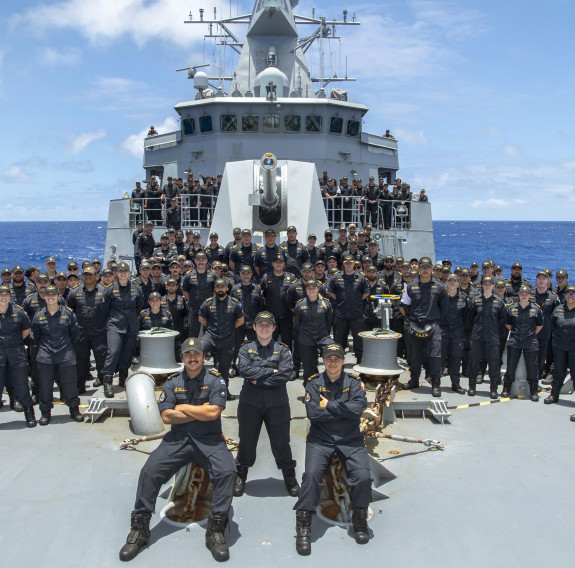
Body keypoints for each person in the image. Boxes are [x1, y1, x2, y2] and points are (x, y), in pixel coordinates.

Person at [118, 337, 236, 562]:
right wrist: (199, 409)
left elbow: (213, 413)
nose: (193, 358)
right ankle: (140, 528)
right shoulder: (173, 382)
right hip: (178, 440)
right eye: (188, 354)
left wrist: (183, 407)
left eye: (197, 354)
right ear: (182, 358)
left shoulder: (215, 380)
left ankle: (217, 529)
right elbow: (167, 416)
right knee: (149, 471)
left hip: (209, 440)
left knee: (228, 472)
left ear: (203, 356)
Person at [293, 343, 372, 555]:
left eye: (337, 358)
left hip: (350, 439)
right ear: (323, 361)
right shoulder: (313, 383)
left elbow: (358, 409)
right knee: (310, 476)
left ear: (343, 361)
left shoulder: (354, 382)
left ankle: (359, 518)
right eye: (329, 358)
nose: (333, 362)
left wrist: (328, 405)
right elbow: (313, 414)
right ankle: (303, 524)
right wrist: (343, 411)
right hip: (321, 439)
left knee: (363, 476)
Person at [234, 311, 300, 497]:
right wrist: (272, 370)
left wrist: (259, 378)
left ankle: (289, 475)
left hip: (277, 403)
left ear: (273, 328)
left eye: (268, 325)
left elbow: (285, 374)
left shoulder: (283, 349)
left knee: (281, 442)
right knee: (246, 440)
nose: (264, 328)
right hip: (250, 402)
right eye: (260, 325)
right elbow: (244, 370)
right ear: (254, 327)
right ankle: (241, 474)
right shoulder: (245, 349)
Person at [31, 285, 84, 425]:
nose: (50, 297)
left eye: (53, 295)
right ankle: (45, 412)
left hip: (65, 353)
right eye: (47, 295)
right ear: (44, 297)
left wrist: (66, 348)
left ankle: (74, 410)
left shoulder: (68, 313)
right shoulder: (38, 315)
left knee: (70, 384)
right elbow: (36, 336)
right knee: (45, 385)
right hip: (45, 355)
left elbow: (74, 334)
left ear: (58, 296)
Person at [400, 257, 447, 397]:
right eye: (423, 267)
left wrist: (436, 321)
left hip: (433, 325)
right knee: (414, 355)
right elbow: (404, 306)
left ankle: (436, 384)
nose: (425, 270)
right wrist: (412, 320)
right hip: (415, 325)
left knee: (435, 355)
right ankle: (414, 380)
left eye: (428, 267)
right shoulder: (411, 286)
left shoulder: (440, 287)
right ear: (418, 269)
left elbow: (444, 308)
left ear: (432, 269)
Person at [100, 262, 145, 398]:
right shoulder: (110, 290)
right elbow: (104, 308)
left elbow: (139, 306)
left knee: (127, 352)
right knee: (113, 352)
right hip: (115, 325)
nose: (123, 273)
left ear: (129, 273)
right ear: (116, 273)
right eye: (120, 271)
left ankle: (123, 378)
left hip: (131, 325)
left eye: (125, 271)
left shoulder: (136, 289)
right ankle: (107, 381)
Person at [198, 278, 244, 400]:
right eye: (217, 287)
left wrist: (228, 328)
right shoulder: (208, 303)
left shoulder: (234, 303)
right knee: (197, 350)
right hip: (210, 337)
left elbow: (241, 320)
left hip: (226, 339)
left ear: (227, 288)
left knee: (224, 369)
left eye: (222, 287)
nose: (220, 289)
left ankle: (224, 391)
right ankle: (196, 386)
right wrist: (211, 327)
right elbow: (201, 318)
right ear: (215, 289)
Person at [66, 266, 107, 392]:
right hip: (81, 333)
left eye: (91, 274)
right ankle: (80, 385)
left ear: (97, 276)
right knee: (81, 361)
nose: (88, 276)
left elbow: (110, 310)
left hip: (99, 332)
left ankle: (103, 380)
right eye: (85, 274)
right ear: (82, 276)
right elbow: (69, 311)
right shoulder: (74, 293)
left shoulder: (105, 291)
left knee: (102, 359)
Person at [0, 284, 36, 427]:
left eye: (6, 295)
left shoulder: (19, 312)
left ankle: (29, 414)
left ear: (10, 296)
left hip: (16, 353)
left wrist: (14, 342)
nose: (3, 297)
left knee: (21, 385)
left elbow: (26, 329)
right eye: (1, 295)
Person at [467, 277, 507, 397]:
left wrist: (495, 333)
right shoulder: (475, 301)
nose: (487, 286)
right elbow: (470, 319)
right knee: (473, 362)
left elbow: (502, 322)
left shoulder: (499, 302)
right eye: (485, 284)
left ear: (493, 286)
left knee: (494, 364)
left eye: (490, 284)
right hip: (477, 336)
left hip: (492, 337)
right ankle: (472, 387)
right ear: (482, 286)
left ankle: (493, 389)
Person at [502, 285, 543, 401]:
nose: (524, 296)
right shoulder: (511, 308)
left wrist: (530, 334)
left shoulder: (536, 309)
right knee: (511, 366)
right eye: (522, 294)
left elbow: (540, 325)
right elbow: (508, 324)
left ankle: (533, 391)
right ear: (519, 295)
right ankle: (506, 388)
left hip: (530, 342)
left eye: (526, 294)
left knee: (532, 367)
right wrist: (517, 333)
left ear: (530, 296)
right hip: (515, 341)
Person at [328, 254, 370, 365]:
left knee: (358, 340)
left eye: (350, 263)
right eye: (346, 263)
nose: (348, 265)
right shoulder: (337, 277)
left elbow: (366, 292)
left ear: (354, 264)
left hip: (356, 314)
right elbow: (330, 291)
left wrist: (356, 300)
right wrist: (341, 300)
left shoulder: (361, 277)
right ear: (343, 264)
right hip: (341, 314)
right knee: (339, 341)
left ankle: (360, 363)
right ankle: (338, 363)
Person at [294, 279, 334, 380]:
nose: (311, 290)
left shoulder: (326, 304)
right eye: (309, 288)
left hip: (322, 336)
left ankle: (330, 382)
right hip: (306, 337)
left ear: (318, 289)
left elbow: (328, 322)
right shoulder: (300, 305)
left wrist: (324, 333)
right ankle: (310, 389)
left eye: (313, 288)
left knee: (334, 353)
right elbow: (297, 324)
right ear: (306, 290)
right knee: (308, 369)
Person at [544, 285, 575, 406]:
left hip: (573, 349)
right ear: (564, 296)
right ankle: (554, 394)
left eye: (573, 294)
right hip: (560, 347)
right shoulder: (558, 310)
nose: (570, 296)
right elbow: (553, 326)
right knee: (558, 372)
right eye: (568, 294)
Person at [442, 274, 468, 394]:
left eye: (454, 281)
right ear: (446, 283)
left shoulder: (464, 299)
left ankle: (455, 384)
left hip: (457, 334)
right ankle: (436, 383)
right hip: (443, 333)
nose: (452, 283)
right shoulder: (441, 297)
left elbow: (468, 318)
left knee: (456, 360)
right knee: (439, 359)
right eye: (450, 281)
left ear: (458, 283)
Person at [182, 251, 216, 337]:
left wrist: (212, 301)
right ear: (195, 261)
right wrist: (191, 300)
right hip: (194, 310)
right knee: (193, 334)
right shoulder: (188, 276)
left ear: (206, 261)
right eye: (198, 260)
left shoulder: (212, 275)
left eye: (202, 260)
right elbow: (185, 290)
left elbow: (215, 290)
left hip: (209, 310)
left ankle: (207, 351)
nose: (201, 262)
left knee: (208, 334)